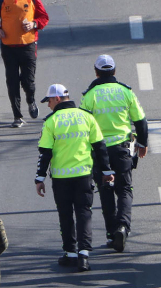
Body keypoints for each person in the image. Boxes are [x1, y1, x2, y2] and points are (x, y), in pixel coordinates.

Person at [35, 84, 113, 272]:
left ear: (57, 99)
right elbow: (100, 147)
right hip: (84, 176)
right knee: (84, 213)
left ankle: (70, 253)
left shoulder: (51, 121)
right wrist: (106, 171)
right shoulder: (87, 117)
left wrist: (40, 178)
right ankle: (84, 254)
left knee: (65, 214)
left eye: (49, 101)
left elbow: (44, 152)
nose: (48, 106)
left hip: (61, 178)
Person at [80, 55, 149, 252]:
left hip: (99, 152)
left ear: (96, 72)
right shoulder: (126, 92)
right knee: (125, 189)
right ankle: (123, 227)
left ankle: (111, 234)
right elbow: (141, 121)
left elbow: (83, 124)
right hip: (122, 150)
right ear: (114, 71)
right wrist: (142, 143)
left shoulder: (90, 95)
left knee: (106, 190)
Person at [0, 0, 49, 128]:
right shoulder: (1, 0)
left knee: (28, 81)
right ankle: (17, 116)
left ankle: (31, 99)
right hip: (8, 47)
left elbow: (44, 17)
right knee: (12, 81)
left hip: (28, 45)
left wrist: (34, 24)